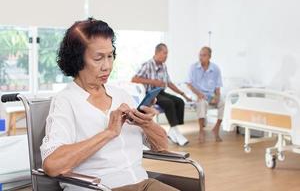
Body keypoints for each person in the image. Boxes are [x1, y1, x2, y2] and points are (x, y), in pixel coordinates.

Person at [40, 18, 178, 191]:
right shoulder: (66, 101)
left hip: (144, 184)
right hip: (102, 187)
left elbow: (162, 147)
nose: (107, 66)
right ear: (77, 60)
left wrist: (147, 124)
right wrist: (109, 133)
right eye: (98, 58)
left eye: (110, 56)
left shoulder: (122, 95)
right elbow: (52, 165)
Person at [132, 43, 192, 146]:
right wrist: (153, 82)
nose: (166, 56)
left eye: (167, 54)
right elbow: (134, 79)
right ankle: (175, 131)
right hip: (151, 93)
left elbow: (169, 83)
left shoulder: (163, 66)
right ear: (157, 52)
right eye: (165, 53)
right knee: (169, 103)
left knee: (180, 101)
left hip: (161, 92)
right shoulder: (147, 65)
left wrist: (183, 94)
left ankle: (174, 129)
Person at [186, 46, 224, 143]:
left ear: (209, 56)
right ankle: (201, 130)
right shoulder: (193, 67)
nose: (201, 57)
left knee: (223, 103)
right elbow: (189, 84)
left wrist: (217, 96)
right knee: (202, 103)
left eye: (203, 55)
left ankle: (216, 128)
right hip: (198, 94)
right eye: (200, 55)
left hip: (210, 95)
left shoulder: (215, 69)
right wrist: (198, 94)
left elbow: (218, 86)